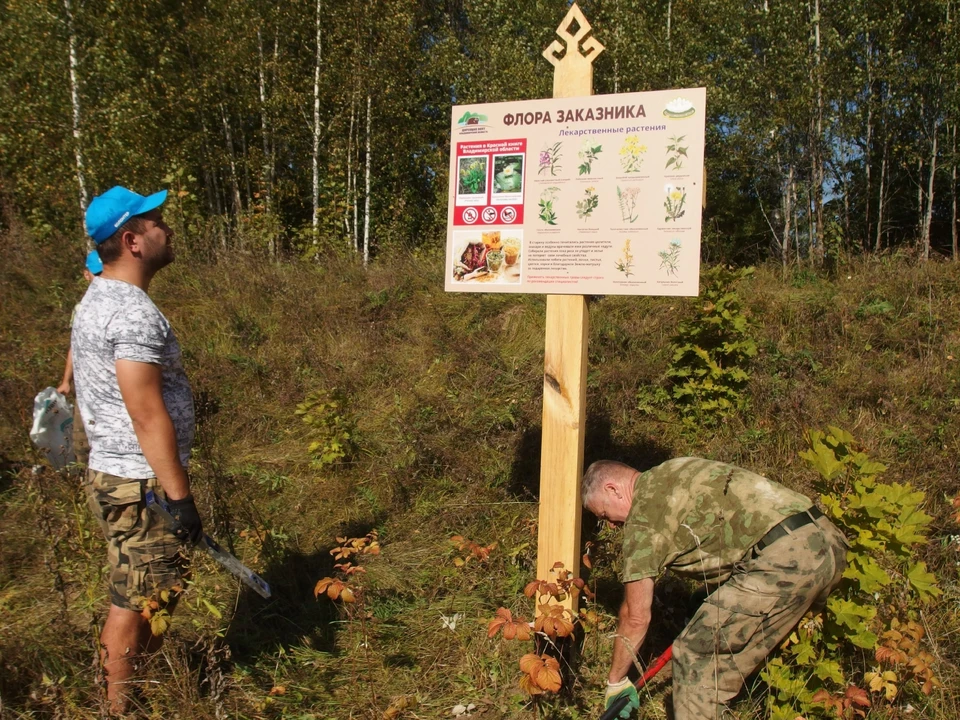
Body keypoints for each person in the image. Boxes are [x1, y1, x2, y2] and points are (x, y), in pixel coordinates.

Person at [582, 457, 849, 720]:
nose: (613, 527)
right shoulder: (675, 467)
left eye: (605, 516)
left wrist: (616, 682)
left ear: (612, 489)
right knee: (716, 629)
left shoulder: (642, 518)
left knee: (696, 658)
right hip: (826, 540)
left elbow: (636, 615)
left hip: (785, 561)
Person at [71, 185, 203, 714]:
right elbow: (146, 411)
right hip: (140, 482)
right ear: (132, 241)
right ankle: (120, 709)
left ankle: (139, 691)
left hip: (120, 473)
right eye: (156, 223)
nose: (166, 230)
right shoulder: (131, 312)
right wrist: (180, 498)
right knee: (132, 601)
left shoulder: (99, 295)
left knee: (152, 590)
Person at [57, 249, 103, 466]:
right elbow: (74, 347)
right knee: (83, 447)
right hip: (86, 390)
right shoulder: (81, 308)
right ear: (86, 274)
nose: (100, 277)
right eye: (96, 273)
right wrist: (67, 381)